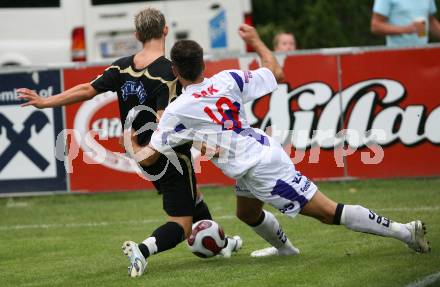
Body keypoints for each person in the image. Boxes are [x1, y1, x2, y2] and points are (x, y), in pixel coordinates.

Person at [127, 24, 431, 259]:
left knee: (328, 213)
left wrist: (133, 146)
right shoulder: (228, 78)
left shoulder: (178, 109)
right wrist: (257, 41)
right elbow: (277, 73)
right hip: (254, 155)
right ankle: (286, 250)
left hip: (262, 168)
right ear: (203, 64)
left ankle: (406, 232)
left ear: (175, 71)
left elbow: (152, 156)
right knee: (246, 213)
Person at [17, 7, 241, 278]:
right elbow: (167, 125)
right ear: (166, 30)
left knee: (193, 199)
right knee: (181, 225)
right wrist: (202, 145)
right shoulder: (169, 73)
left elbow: (87, 89)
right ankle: (142, 250)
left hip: (143, 157)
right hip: (168, 155)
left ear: (136, 35)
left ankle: (222, 243)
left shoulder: (122, 67)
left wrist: (46, 102)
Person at [371, 0, 440, 47]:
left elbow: (431, 21)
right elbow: (376, 25)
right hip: (397, 55)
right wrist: (405, 30)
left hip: (422, 54)